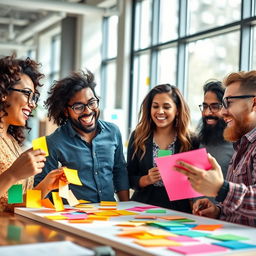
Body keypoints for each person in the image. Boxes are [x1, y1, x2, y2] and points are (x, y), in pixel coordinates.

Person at [175, 71, 256, 226]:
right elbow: (240, 208)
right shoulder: (241, 145)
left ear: (254, 103)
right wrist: (218, 210)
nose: (223, 112)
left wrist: (221, 189)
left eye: (229, 103)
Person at [34, 70, 129, 202]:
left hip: (111, 213)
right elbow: (42, 189)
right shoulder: (52, 143)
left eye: (92, 103)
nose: (88, 111)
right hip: (74, 218)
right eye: (78, 107)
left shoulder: (113, 132)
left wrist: (125, 206)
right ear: (65, 111)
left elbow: (120, 171)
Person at [0, 55, 67, 211]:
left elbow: (11, 203)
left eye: (34, 97)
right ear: (3, 93)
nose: (32, 104)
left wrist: (46, 186)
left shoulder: (11, 142)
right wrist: (13, 174)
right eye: (27, 93)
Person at [127, 84, 199, 213]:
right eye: (155, 106)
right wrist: (146, 179)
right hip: (143, 207)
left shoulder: (190, 140)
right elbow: (129, 177)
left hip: (179, 210)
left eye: (166, 107)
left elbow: (198, 180)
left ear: (177, 110)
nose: (160, 111)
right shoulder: (138, 136)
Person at [198, 80, 233, 178]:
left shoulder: (238, 146)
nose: (207, 113)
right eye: (205, 106)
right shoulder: (201, 140)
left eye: (215, 107)